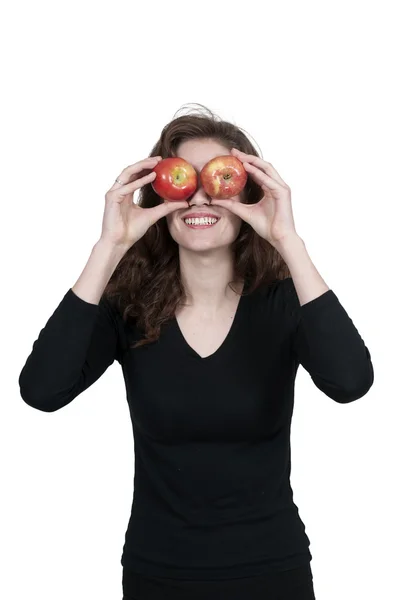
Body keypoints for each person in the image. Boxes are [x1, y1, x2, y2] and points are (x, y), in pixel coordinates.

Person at [18, 104, 374, 600]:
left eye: (221, 182)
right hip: (157, 572)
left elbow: (350, 382)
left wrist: (288, 239)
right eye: (182, 181)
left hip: (271, 570)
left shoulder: (283, 304)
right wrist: (109, 246)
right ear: (159, 193)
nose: (201, 198)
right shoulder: (131, 308)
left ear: (248, 195)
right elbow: (42, 390)